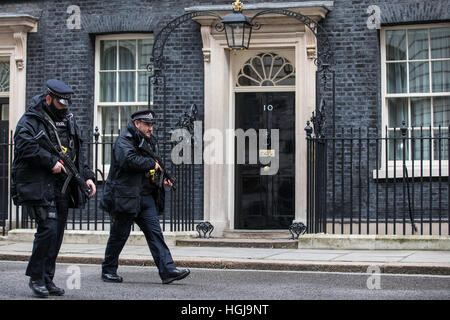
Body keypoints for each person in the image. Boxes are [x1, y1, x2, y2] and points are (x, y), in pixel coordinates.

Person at [11, 79, 96, 298]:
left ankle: (47, 278)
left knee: (56, 234)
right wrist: (50, 161)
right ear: (48, 99)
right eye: (60, 104)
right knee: (47, 229)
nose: (64, 108)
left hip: (63, 187)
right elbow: (24, 145)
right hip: (40, 185)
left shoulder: (68, 120)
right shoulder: (31, 120)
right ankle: (36, 278)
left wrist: (86, 176)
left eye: (67, 104)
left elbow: (76, 153)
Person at [100, 110, 190, 285]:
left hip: (144, 197)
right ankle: (108, 270)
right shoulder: (124, 141)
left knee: (155, 233)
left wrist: (164, 176)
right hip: (126, 197)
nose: (150, 128)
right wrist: (151, 164)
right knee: (119, 235)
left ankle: (167, 270)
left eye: (151, 125)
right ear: (136, 124)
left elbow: (154, 165)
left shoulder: (147, 142)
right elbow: (128, 160)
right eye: (147, 124)